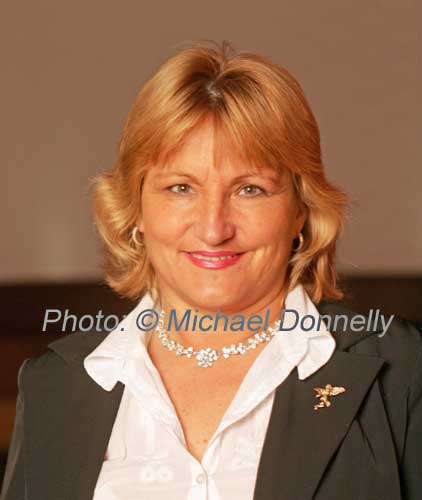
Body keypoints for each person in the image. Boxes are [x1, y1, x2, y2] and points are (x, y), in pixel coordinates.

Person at [1, 40, 421, 500]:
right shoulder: (55, 385)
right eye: (181, 187)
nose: (214, 228)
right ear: (136, 209)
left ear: (300, 209)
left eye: (250, 190)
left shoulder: (401, 370)